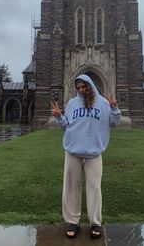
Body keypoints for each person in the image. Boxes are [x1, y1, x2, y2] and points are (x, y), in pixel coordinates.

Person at [51, 74, 121, 239]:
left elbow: (115, 123)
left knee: (94, 187)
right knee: (71, 187)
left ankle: (95, 223)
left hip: (94, 153)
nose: (81, 90)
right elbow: (66, 126)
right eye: (79, 87)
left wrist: (114, 108)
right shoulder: (72, 103)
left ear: (90, 85)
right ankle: (73, 222)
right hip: (73, 151)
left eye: (84, 86)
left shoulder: (103, 103)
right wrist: (58, 116)